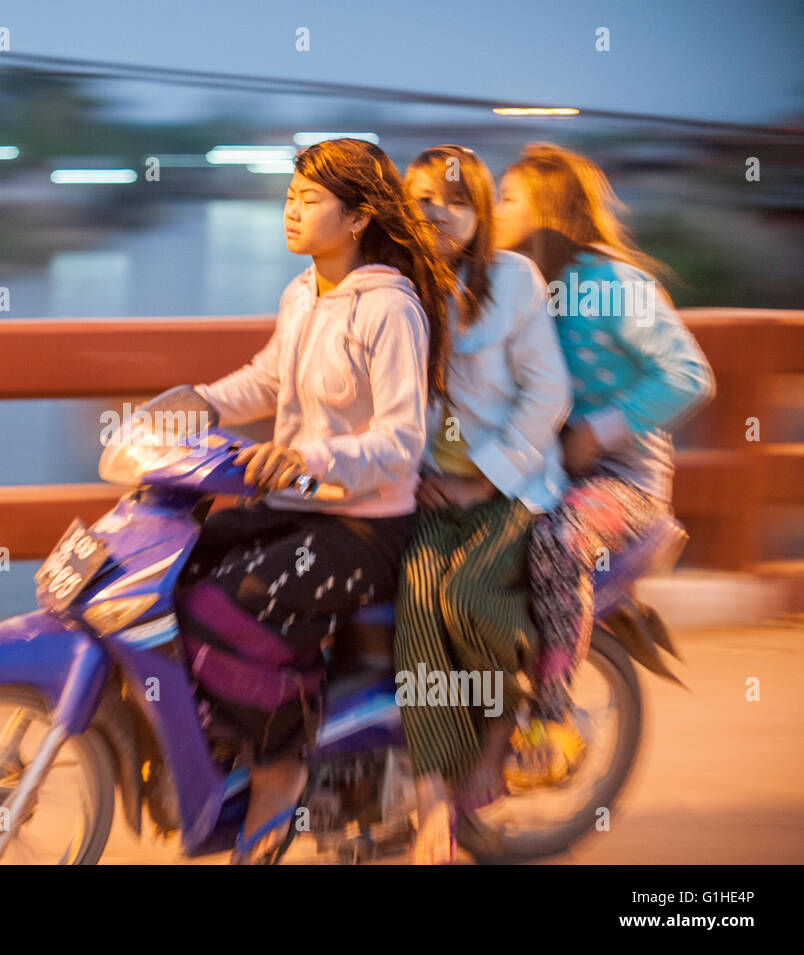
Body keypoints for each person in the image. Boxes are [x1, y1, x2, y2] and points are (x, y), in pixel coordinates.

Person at [181, 137, 453, 864]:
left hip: (366, 524)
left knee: (230, 602)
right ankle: (227, 730)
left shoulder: (390, 309)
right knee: (182, 565)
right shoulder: (304, 293)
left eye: (309, 199)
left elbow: (400, 442)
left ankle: (281, 768)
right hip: (304, 505)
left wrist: (308, 457)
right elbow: (268, 380)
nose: (290, 210)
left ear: (360, 215)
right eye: (289, 195)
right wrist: (197, 401)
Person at [493, 142, 714, 775]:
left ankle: (557, 719)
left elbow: (689, 375)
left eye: (510, 198)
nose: (496, 208)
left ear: (549, 210)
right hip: (546, 473)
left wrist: (601, 428)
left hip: (622, 483)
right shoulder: (522, 284)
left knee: (560, 541)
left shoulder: (612, 285)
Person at [392, 145, 572, 864]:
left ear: (480, 214)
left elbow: (548, 394)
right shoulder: (397, 285)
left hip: (516, 483)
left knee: (466, 593)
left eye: (454, 199)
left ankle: (498, 734)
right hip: (434, 484)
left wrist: (485, 479)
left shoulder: (514, 280)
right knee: (414, 599)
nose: (436, 210)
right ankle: (433, 789)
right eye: (422, 196)